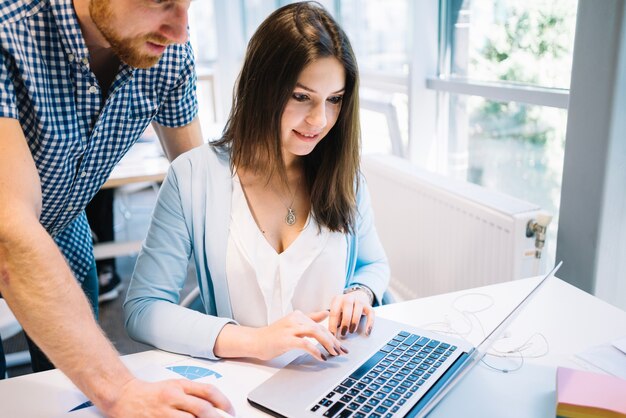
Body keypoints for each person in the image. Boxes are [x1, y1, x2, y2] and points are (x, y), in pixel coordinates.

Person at [0, 0, 233, 416]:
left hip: (62, 228)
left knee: (74, 394)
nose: (180, 31)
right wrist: (121, 389)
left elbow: (196, 179)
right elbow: (9, 232)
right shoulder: (9, 31)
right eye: (162, 3)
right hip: (12, 230)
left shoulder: (168, 51)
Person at [124, 2, 390, 363]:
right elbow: (143, 308)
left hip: (334, 377)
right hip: (242, 387)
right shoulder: (192, 176)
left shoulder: (343, 175)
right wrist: (255, 341)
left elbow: (373, 265)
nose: (319, 120)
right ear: (262, 87)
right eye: (301, 97)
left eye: (335, 100)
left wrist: (359, 293)